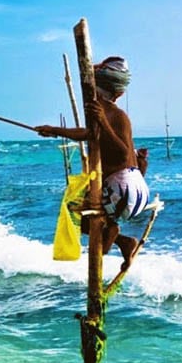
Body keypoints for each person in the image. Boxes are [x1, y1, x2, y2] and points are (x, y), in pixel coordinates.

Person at [35, 56, 149, 270]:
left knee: (76, 212)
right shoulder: (107, 111)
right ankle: (124, 242)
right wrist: (54, 130)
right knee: (81, 214)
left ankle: (113, 232)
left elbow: (122, 153)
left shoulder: (113, 115)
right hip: (134, 190)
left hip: (122, 190)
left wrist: (104, 123)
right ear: (119, 93)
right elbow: (88, 134)